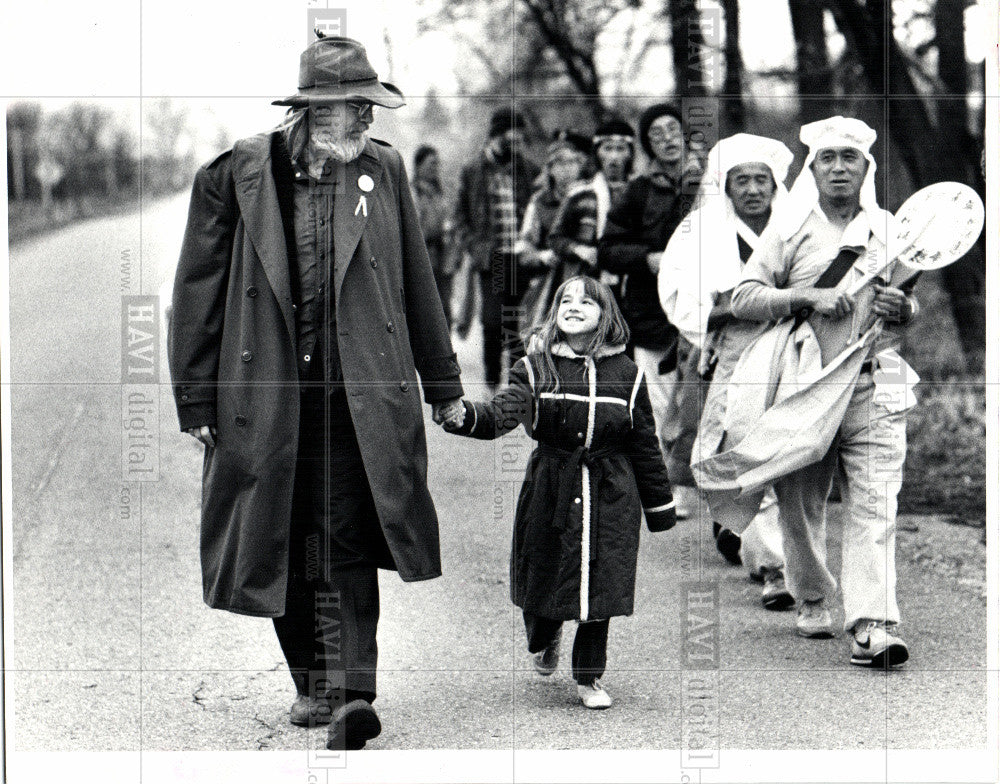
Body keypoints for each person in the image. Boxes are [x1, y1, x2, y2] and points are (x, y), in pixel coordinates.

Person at [168, 34, 465, 750]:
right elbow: (198, 289)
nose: (368, 121)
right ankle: (311, 681)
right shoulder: (235, 176)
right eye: (357, 108)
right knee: (281, 534)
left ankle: (354, 693)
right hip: (265, 393)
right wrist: (196, 399)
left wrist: (444, 382)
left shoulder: (381, 172)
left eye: (371, 108)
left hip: (358, 392)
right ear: (318, 108)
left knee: (347, 535)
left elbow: (416, 280)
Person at [730, 116, 919, 665]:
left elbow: (910, 303)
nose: (839, 168)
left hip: (875, 379)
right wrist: (804, 297)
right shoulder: (788, 230)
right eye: (828, 159)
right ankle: (812, 594)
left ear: (867, 168)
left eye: (849, 159)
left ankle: (872, 623)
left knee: (877, 503)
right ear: (812, 169)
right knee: (801, 497)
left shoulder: (892, 230)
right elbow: (744, 296)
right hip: (806, 386)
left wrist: (903, 309)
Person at [440, 276, 677, 709]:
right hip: (551, 485)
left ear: (607, 316)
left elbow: (644, 443)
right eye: (565, 300)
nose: (574, 306)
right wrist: (464, 416)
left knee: (601, 585)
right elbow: (502, 413)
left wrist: (660, 507)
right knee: (546, 570)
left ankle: (589, 677)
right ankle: (545, 633)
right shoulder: (534, 368)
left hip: (611, 492)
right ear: (554, 313)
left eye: (587, 301)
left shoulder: (628, 375)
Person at [658, 133, 794, 609]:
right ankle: (774, 568)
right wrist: (731, 309)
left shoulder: (796, 226)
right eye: (742, 180)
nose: (753, 189)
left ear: (776, 183)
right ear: (726, 187)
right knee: (744, 452)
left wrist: (758, 302)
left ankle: (788, 560)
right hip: (734, 354)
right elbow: (683, 300)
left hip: (797, 348)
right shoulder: (701, 233)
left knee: (790, 456)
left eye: (762, 179)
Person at [598, 103, 704, 516]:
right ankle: (666, 490)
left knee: (703, 401)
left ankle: (707, 486)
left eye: (671, 129)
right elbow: (608, 249)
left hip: (706, 313)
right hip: (651, 314)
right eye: (655, 134)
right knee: (659, 407)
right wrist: (646, 259)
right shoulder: (637, 191)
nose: (666, 138)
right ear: (647, 145)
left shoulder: (711, 182)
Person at [454, 108, 540, 390]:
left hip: (523, 258)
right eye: (511, 138)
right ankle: (492, 379)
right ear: (496, 136)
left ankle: (517, 385)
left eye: (519, 139)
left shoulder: (529, 170)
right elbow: (461, 218)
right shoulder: (472, 171)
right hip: (493, 259)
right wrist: (476, 249)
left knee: (517, 324)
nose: (517, 144)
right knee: (492, 322)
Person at [547, 117, 636, 305]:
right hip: (585, 283)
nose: (613, 156)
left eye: (620, 149)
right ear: (597, 153)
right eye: (608, 148)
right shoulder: (580, 193)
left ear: (630, 153)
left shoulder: (640, 192)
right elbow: (556, 238)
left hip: (630, 286)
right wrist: (578, 249)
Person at [515, 129, 591, 334]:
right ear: (549, 169)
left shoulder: (591, 196)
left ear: (580, 165)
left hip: (587, 279)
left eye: (571, 162)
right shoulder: (539, 202)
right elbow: (524, 245)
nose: (566, 169)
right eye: (559, 163)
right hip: (549, 282)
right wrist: (540, 256)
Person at [411, 144, 457, 326]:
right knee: (424, 309)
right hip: (422, 258)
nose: (435, 168)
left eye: (437, 164)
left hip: (443, 257)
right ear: (418, 166)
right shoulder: (412, 193)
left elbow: (449, 218)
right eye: (431, 164)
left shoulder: (441, 193)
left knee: (444, 308)